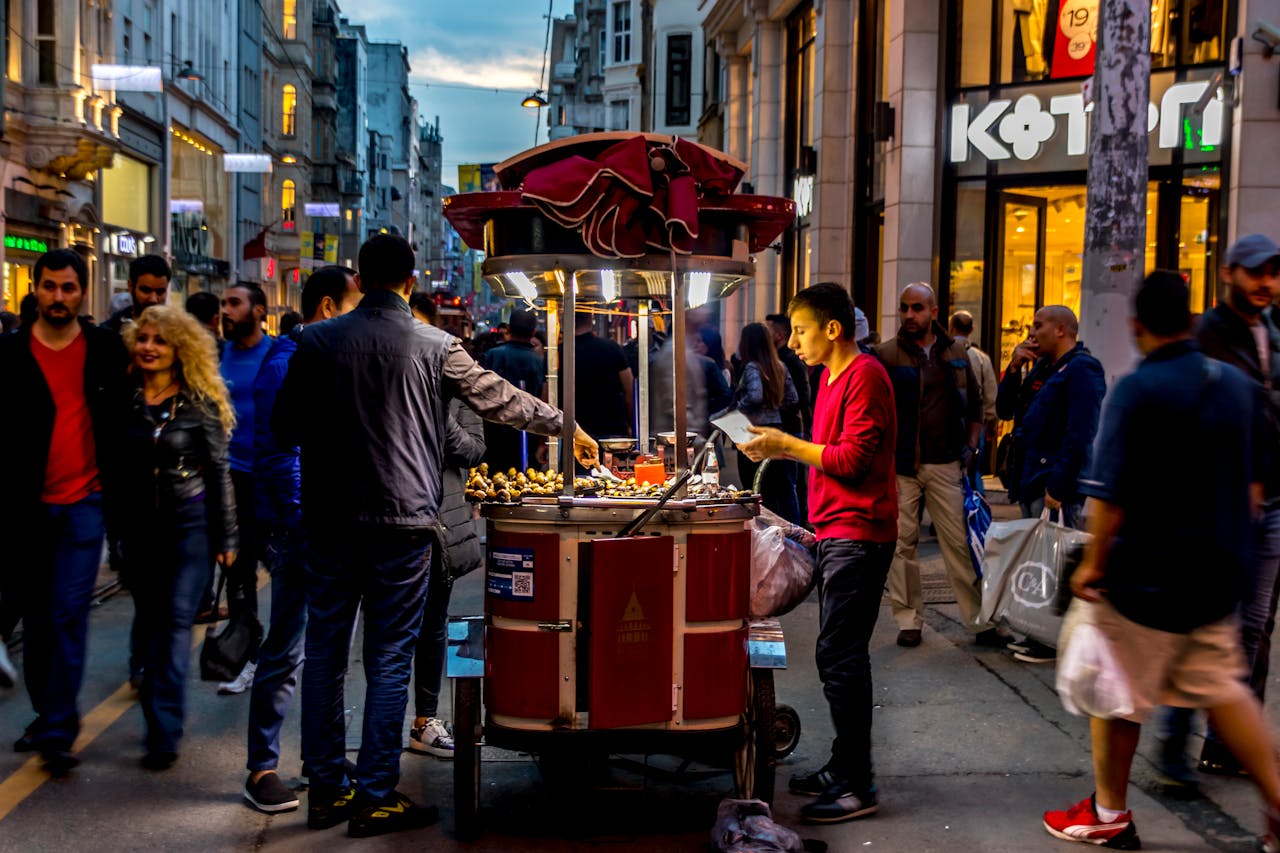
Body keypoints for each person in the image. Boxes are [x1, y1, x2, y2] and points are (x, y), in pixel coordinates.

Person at [273, 234, 599, 838]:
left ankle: (325, 791)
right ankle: (373, 795)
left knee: (323, 653)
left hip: (329, 521)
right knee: (391, 655)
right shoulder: (436, 346)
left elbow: (284, 425)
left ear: (360, 278)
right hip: (404, 522)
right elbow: (500, 401)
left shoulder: (314, 341)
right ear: (410, 280)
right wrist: (566, 425)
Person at [1043, 271, 1280, 852]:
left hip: (1147, 577)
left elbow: (1109, 497)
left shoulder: (1137, 389)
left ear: (1138, 325)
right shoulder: (1234, 383)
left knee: (1111, 688)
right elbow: (1257, 486)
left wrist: (1094, 567)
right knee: (1224, 689)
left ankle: (1108, 812)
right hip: (1220, 574)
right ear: (1192, 321)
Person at [739, 282, 897, 824]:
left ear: (832, 329)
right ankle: (842, 764)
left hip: (862, 532)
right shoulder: (826, 375)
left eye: (801, 332)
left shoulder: (866, 376)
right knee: (838, 653)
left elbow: (851, 460)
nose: (792, 342)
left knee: (841, 654)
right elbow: (827, 452)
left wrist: (782, 444)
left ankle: (859, 783)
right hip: (835, 528)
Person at [0, 249, 129, 775]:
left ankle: (59, 727)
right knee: (36, 618)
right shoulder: (8, 355)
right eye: (50, 287)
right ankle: (48, 712)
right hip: (25, 508)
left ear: (82, 291)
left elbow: (123, 423)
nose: (58, 297)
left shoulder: (102, 349)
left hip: (85, 503)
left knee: (67, 615)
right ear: (36, 288)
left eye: (68, 288)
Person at [1160, 234, 1280, 782]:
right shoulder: (1205, 336)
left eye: (1274, 274)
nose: (1267, 283)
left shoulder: (1275, 332)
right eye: (1257, 272)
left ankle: (1225, 742)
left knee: (1252, 628)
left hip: (1271, 502)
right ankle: (1176, 739)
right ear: (1229, 273)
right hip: (1215, 505)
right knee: (1204, 622)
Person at [242, 266, 361, 813]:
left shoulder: (325, 354)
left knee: (326, 653)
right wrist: (300, 520)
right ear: (330, 307)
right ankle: (262, 766)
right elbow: (277, 449)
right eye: (357, 305)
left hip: (327, 523)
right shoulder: (287, 362)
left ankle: (324, 760)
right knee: (286, 648)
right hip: (298, 529)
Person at [118, 306, 238, 770]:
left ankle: (163, 731)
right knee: (149, 626)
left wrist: (228, 537)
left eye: (159, 341)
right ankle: (158, 717)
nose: (148, 347)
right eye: (143, 338)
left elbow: (220, 471)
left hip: (189, 528)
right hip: (140, 530)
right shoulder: (126, 400)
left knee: (171, 627)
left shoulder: (199, 403)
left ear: (179, 350)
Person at [876, 283, 999, 649]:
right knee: (902, 546)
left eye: (917, 308)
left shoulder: (957, 352)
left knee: (960, 544)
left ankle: (979, 620)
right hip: (902, 466)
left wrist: (972, 448)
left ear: (933, 311)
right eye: (904, 308)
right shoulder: (886, 354)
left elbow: (975, 404)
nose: (909, 315)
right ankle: (908, 619)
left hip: (946, 463)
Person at [999, 305, 1106, 666]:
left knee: (1061, 562)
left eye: (1038, 326)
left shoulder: (1082, 370)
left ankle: (1064, 640)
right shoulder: (1043, 368)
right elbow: (1004, 410)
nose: (1032, 332)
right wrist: (1014, 368)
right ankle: (1042, 632)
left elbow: (1079, 435)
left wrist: (1059, 487)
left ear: (1061, 330)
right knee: (1043, 562)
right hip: (1030, 478)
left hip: (1055, 483)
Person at [407, 301, 486, 760]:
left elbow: (474, 448)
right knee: (388, 631)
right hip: (388, 518)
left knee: (433, 622)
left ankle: (424, 719)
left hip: (441, 518)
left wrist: (438, 418)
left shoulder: (454, 382)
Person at [216, 283, 273, 694]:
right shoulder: (220, 357)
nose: (227, 310)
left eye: (234, 303)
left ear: (258, 310)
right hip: (232, 480)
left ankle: (282, 651)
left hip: (273, 479)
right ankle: (248, 656)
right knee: (238, 573)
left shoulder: (278, 354)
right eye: (223, 304)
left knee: (285, 570)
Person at [729, 323, 801, 523]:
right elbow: (793, 399)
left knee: (756, 490)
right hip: (777, 430)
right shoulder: (780, 366)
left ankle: (763, 533)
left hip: (753, 433)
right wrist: (774, 405)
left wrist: (736, 411)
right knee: (782, 490)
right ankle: (789, 535)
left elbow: (754, 396)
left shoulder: (751, 367)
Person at [479, 307, 546, 473]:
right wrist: (542, 442)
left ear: (508, 329)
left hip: (494, 435)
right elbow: (544, 399)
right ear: (533, 332)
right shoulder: (539, 361)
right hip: (529, 433)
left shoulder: (491, 355)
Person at [947, 311, 997, 490]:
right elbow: (990, 395)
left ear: (951, 327)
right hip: (976, 423)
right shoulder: (981, 358)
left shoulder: (943, 353)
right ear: (972, 329)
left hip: (949, 422)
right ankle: (975, 510)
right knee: (973, 469)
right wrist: (990, 421)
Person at [571, 312, 634, 438]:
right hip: (613, 432)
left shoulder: (560, 353)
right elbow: (630, 391)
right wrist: (632, 425)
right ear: (591, 317)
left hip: (574, 433)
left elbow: (548, 395)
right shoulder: (611, 348)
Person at [102, 255, 172, 333]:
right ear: (130, 286)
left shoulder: (176, 332)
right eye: (146, 290)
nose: (153, 299)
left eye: (160, 292)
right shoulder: (108, 333)